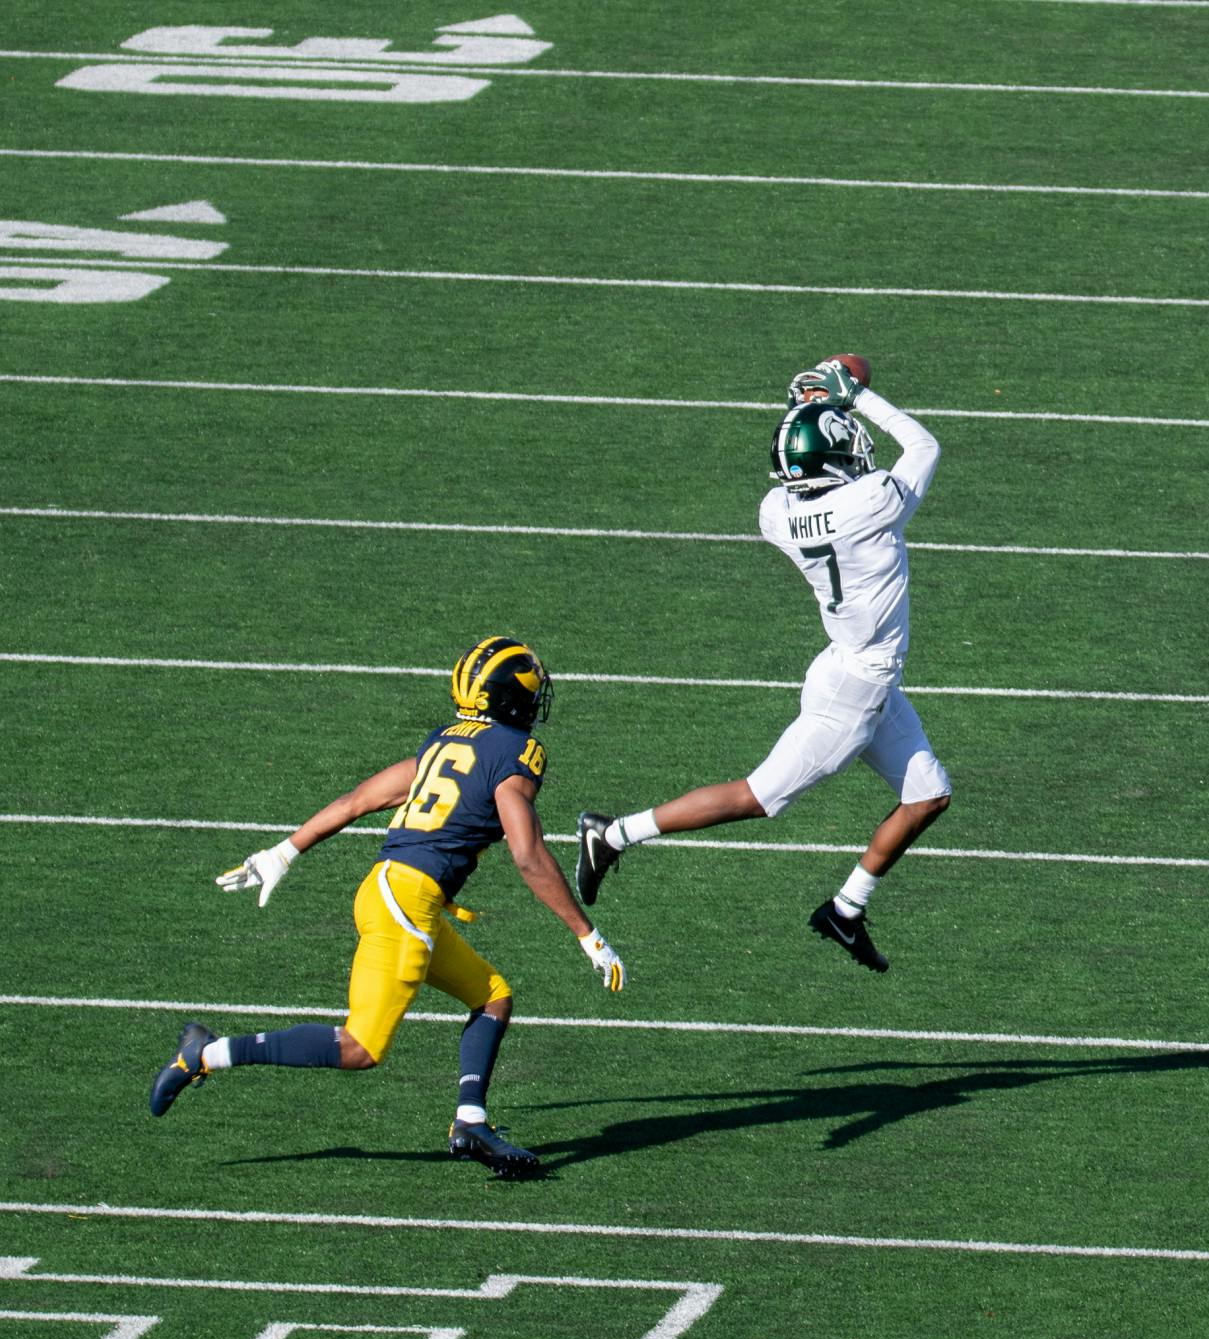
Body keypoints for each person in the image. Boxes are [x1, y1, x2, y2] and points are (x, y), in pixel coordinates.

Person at [147, 635, 625, 1178]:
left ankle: (470, 1121)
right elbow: (527, 852)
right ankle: (205, 1053)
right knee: (359, 1047)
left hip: (389, 889)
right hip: (408, 902)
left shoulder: (444, 740)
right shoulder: (516, 754)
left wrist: (284, 850)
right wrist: (587, 934)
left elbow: (361, 800)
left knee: (492, 997)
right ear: (512, 699)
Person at [574, 358, 952, 973]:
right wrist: (856, 395)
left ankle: (846, 909)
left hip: (849, 668)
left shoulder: (775, 511)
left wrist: (811, 409)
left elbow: (805, 470)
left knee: (928, 795)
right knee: (757, 797)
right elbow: (922, 443)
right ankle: (613, 834)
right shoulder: (871, 502)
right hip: (855, 689)